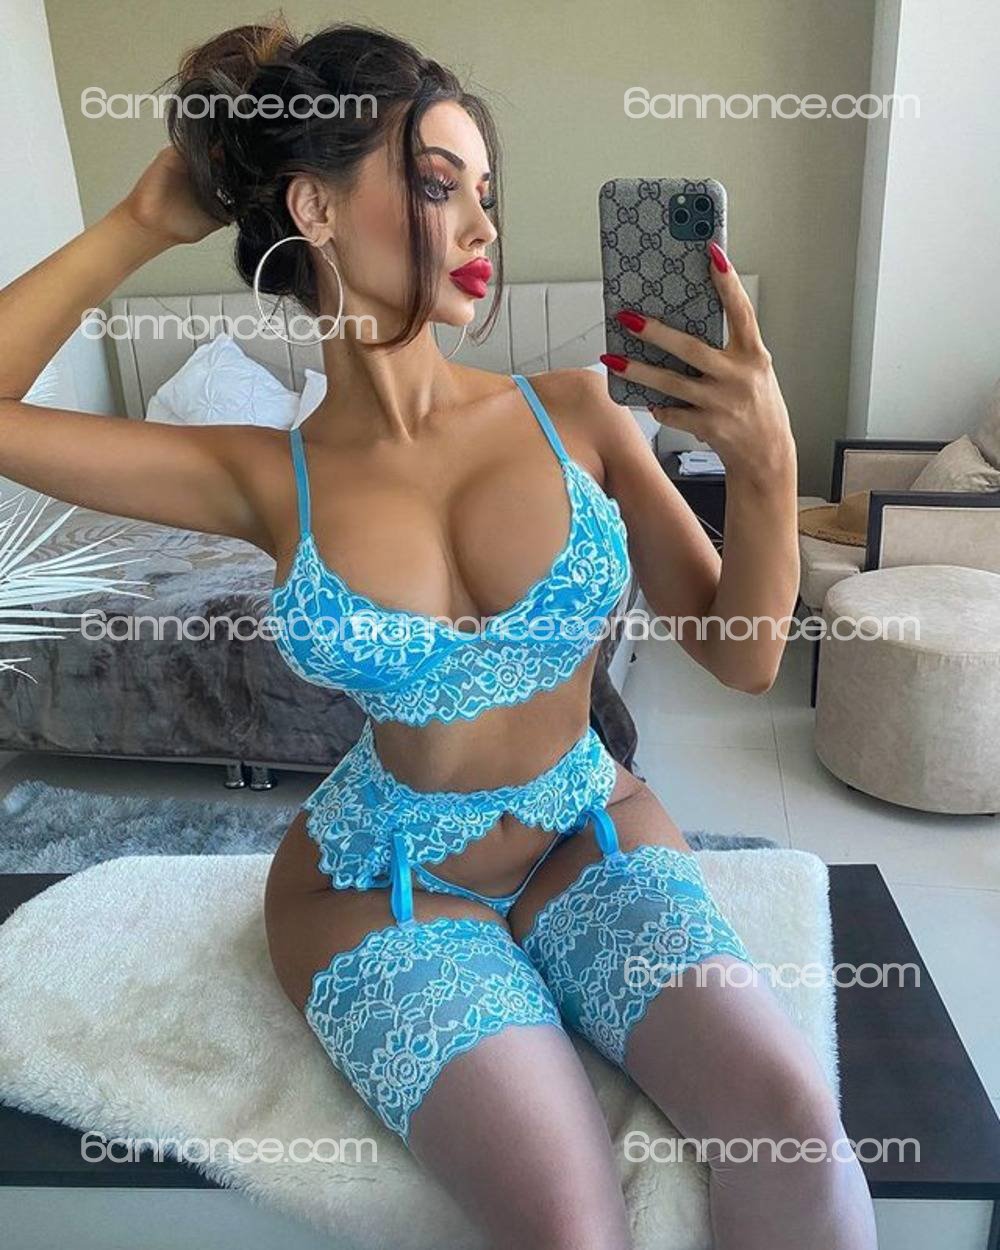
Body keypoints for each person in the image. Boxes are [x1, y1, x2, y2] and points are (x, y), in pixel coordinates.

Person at [0, 16, 877, 1250]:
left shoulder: (577, 411)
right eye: (434, 185)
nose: (482, 229)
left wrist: (768, 459)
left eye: (486, 194)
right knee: (571, 1225)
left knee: (796, 1138)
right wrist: (144, 221)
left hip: (586, 826)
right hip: (382, 882)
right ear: (313, 207)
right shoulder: (260, 477)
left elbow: (743, 656)